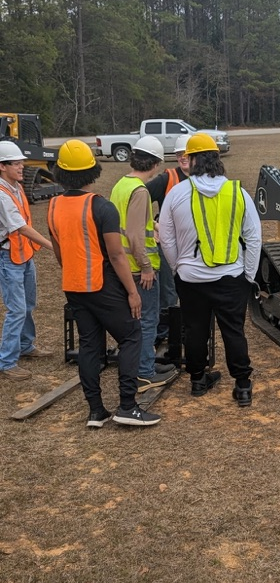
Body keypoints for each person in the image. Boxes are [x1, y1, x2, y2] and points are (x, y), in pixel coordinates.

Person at [47, 139, 160, 427]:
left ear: (60, 173)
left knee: (89, 346)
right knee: (132, 335)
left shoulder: (53, 206)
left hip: (73, 286)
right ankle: (127, 406)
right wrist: (132, 293)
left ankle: (96, 411)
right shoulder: (101, 206)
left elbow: (60, 253)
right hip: (102, 284)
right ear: (93, 171)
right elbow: (117, 255)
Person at [159, 132, 261, 407]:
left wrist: (177, 268)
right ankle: (242, 386)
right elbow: (253, 237)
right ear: (217, 159)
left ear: (191, 160)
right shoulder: (237, 192)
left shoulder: (177, 193)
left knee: (195, 330)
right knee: (234, 331)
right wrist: (248, 276)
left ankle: (197, 380)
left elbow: (166, 239)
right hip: (231, 277)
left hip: (190, 279)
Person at [110, 135, 177, 393]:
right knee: (147, 320)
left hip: (124, 265)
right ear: (155, 164)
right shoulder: (140, 191)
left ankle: (144, 364)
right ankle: (145, 374)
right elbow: (136, 234)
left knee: (137, 321)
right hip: (139, 269)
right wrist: (147, 267)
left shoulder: (121, 185)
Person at [0, 140, 54, 380]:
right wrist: (51, 245)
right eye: (16, 163)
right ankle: (7, 362)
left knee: (28, 304)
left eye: (22, 162)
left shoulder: (16, 187)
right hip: (8, 257)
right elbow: (20, 227)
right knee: (17, 309)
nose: (22, 166)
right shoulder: (2, 194)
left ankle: (26, 345)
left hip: (23, 255)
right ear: (2, 166)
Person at [148, 134, 190, 360]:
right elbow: (140, 197)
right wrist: (153, 224)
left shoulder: (205, 177)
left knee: (190, 289)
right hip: (167, 245)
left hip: (193, 245)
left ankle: (185, 328)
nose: (182, 158)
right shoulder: (168, 178)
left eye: (187, 154)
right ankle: (165, 332)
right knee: (168, 292)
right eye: (179, 154)